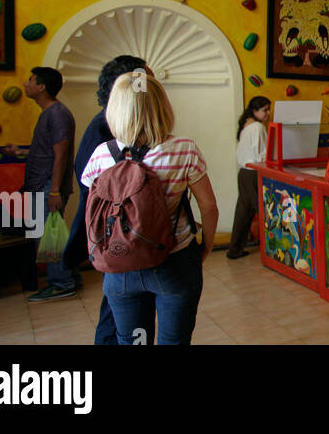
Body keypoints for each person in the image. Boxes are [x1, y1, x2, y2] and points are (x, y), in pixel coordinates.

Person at [80, 73, 217, 345]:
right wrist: (207, 245)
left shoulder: (100, 154)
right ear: (162, 107)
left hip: (120, 267)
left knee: (132, 341)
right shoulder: (183, 149)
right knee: (174, 340)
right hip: (174, 261)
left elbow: (92, 211)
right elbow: (208, 205)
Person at [61, 55, 148, 341]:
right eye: (145, 79)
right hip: (115, 237)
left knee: (125, 309)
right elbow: (92, 185)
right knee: (119, 312)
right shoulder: (104, 127)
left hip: (122, 236)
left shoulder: (117, 123)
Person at [23, 67, 77, 302]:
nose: (26, 84)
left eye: (30, 80)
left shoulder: (56, 113)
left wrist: (54, 190)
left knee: (49, 237)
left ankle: (62, 283)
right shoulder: (49, 113)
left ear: (41, 86)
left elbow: (61, 153)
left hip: (48, 186)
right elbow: (48, 149)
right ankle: (68, 276)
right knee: (48, 235)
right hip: (42, 184)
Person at [227, 96, 271, 260]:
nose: (267, 113)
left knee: (243, 213)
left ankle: (234, 249)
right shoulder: (258, 127)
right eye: (265, 110)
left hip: (244, 173)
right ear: (255, 110)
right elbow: (264, 154)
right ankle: (273, 249)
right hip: (254, 173)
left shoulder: (246, 126)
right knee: (266, 210)